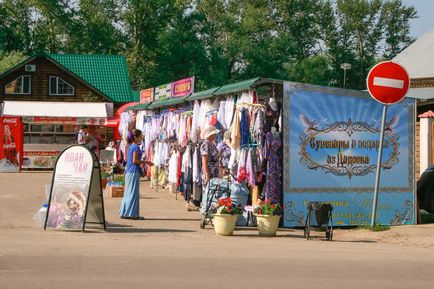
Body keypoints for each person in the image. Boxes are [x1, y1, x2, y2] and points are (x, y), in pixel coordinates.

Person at [119, 129, 153, 220]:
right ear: (135, 137)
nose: (142, 138)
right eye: (140, 136)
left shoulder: (130, 146)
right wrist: (147, 162)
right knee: (133, 193)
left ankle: (125, 212)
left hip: (129, 171)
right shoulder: (136, 147)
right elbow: (135, 161)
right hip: (133, 171)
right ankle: (133, 214)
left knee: (128, 193)